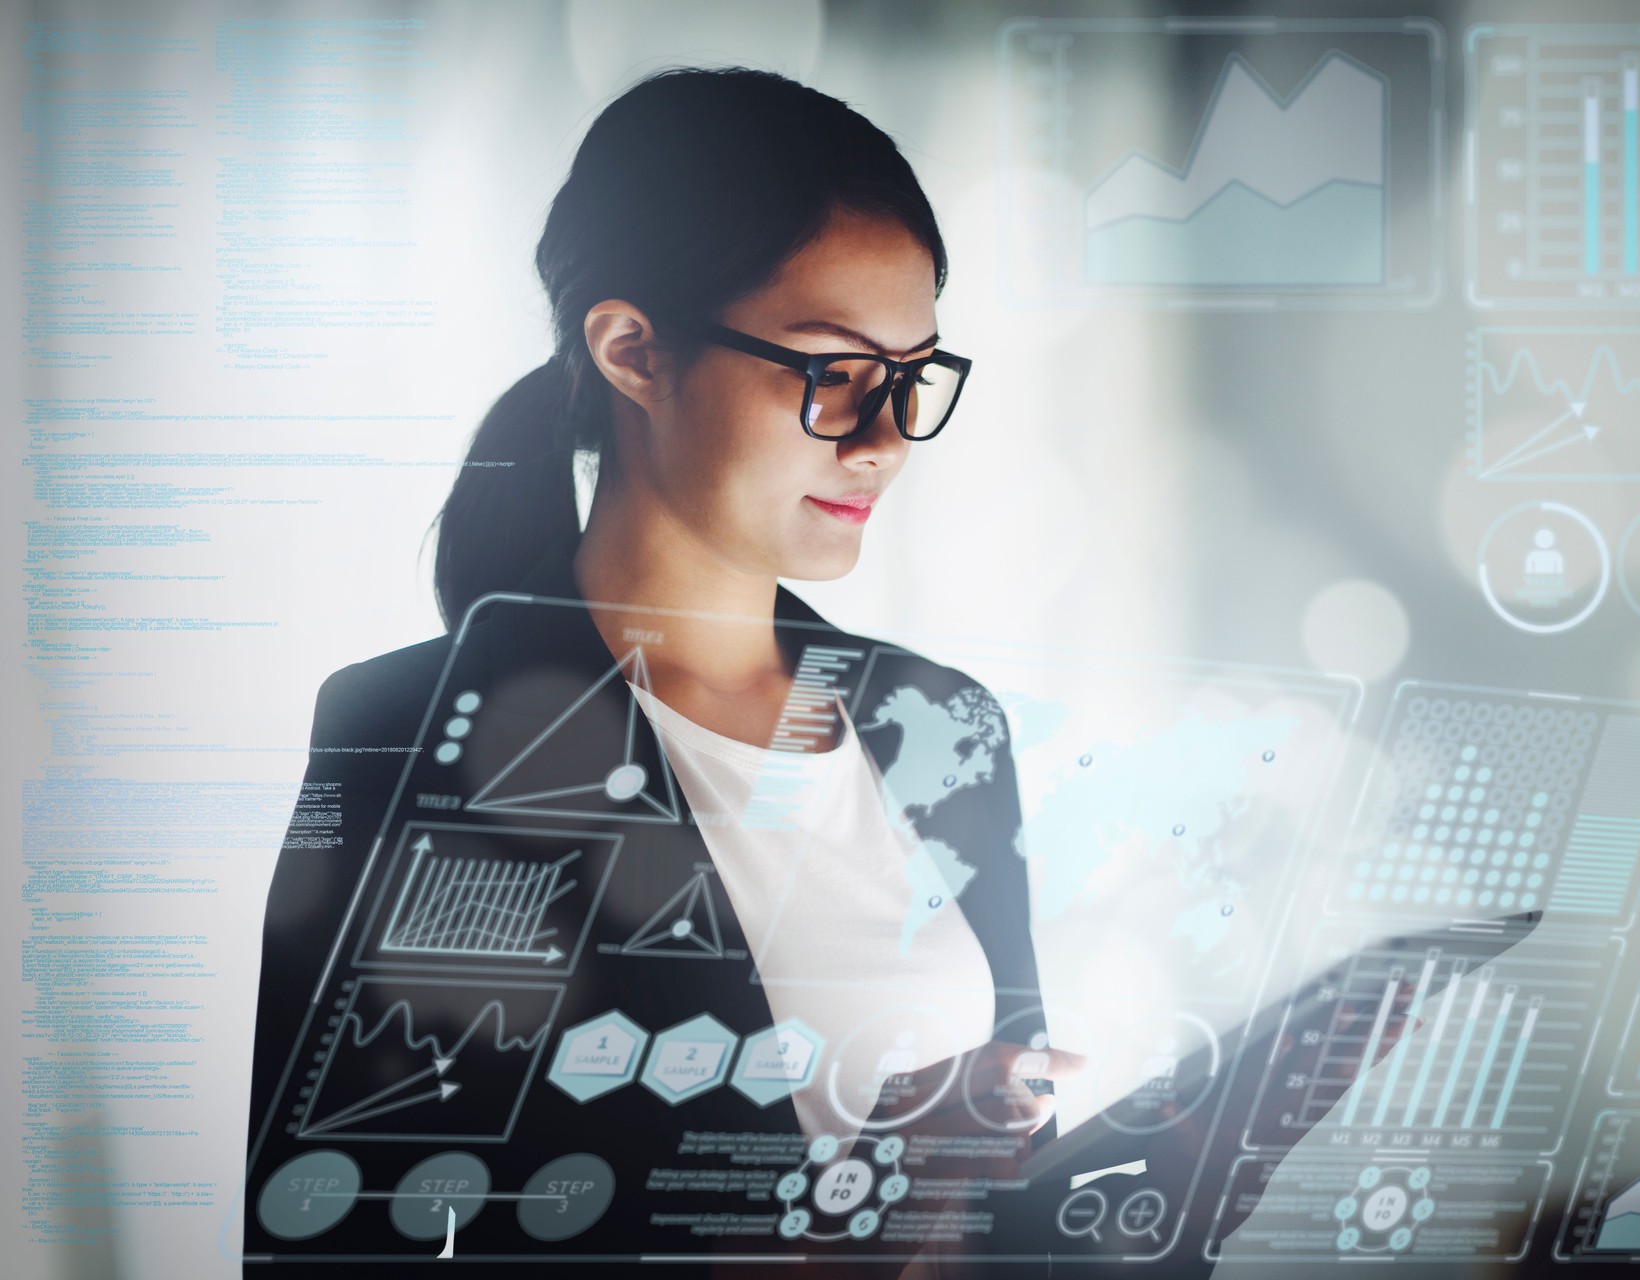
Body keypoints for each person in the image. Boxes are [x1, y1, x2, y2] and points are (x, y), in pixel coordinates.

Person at [242, 67, 1083, 1278]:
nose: (887, 436)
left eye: (912, 374)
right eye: (831, 370)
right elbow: (323, 1234)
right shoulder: (410, 736)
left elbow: (1014, 1204)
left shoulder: (941, 721)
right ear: (635, 351)